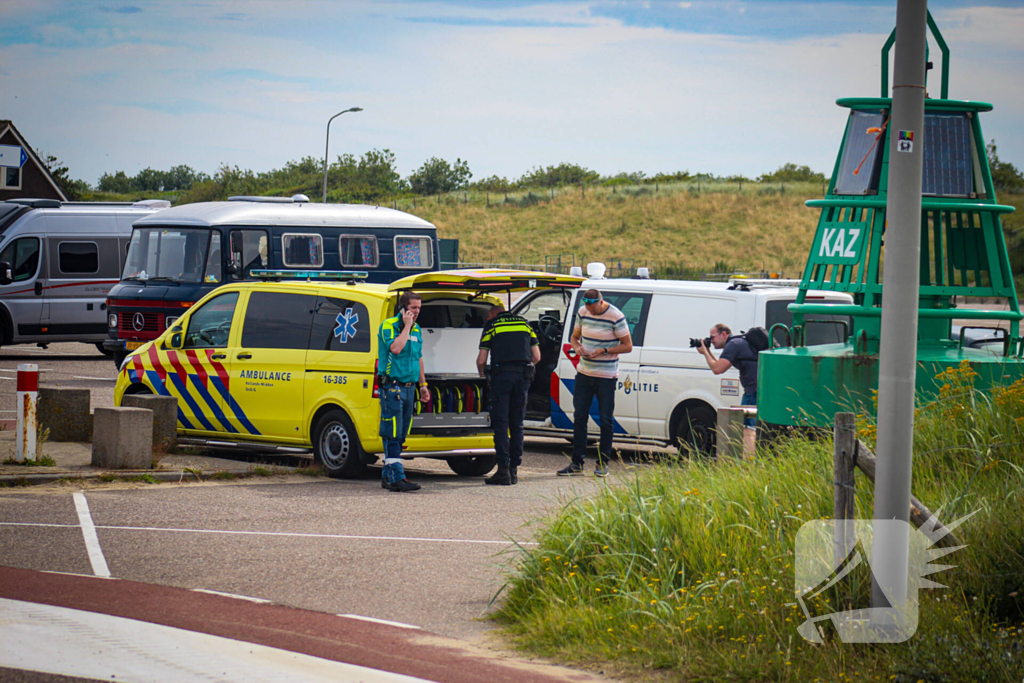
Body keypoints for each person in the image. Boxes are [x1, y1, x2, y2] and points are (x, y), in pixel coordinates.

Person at [558, 289, 632, 477]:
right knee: (579, 417)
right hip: (584, 373)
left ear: (600, 301)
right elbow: (574, 337)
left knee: (605, 419)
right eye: (587, 307)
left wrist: (604, 351)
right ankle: (577, 463)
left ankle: (603, 463)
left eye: (593, 308)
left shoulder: (616, 316)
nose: (590, 311)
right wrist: (577, 347)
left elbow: (628, 346)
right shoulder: (583, 312)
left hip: (606, 376)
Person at [476, 305, 541, 486]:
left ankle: (503, 470)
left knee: (501, 424)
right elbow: (537, 357)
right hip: (523, 378)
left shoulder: (492, 326)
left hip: (502, 378)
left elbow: (482, 359)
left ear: (492, 314)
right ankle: (514, 470)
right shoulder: (525, 324)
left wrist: (482, 373)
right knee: (517, 424)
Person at [377, 292, 431, 492]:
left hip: (409, 388)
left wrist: (423, 385)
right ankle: (397, 478)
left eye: (419, 308)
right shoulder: (389, 325)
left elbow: (418, 358)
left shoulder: (417, 329)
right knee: (392, 433)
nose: (416, 312)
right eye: (413, 308)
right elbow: (396, 349)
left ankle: (388, 476)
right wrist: (406, 326)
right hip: (392, 387)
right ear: (403, 308)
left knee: (401, 435)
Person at [698, 323, 757, 451]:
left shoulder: (733, 345)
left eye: (712, 337)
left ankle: (749, 459)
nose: (711, 341)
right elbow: (720, 365)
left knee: (748, 428)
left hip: (753, 391)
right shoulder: (738, 342)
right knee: (750, 426)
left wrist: (705, 353)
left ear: (723, 334)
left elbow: (717, 369)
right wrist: (707, 351)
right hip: (756, 390)